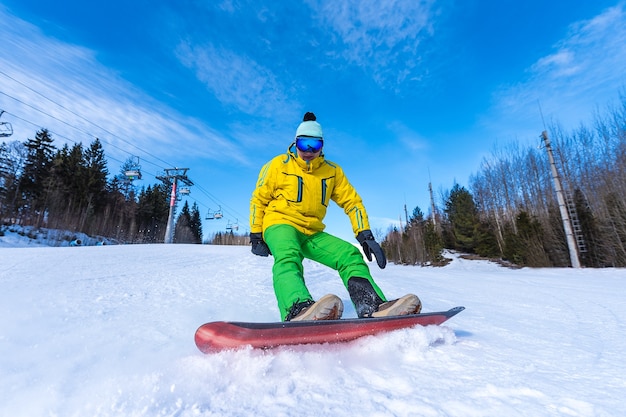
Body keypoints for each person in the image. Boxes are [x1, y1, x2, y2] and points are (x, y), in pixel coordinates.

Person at [249, 112, 421, 321]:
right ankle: (296, 308)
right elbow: (259, 199)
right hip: (280, 223)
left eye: (314, 145)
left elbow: (352, 202)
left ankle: (371, 305)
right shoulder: (278, 165)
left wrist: (364, 234)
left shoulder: (332, 171)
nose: (309, 151)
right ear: (295, 143)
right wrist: (256, 234)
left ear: (322, 146)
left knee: (349, 254)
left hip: (312, 232)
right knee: (288, 257)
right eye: (304, 145)